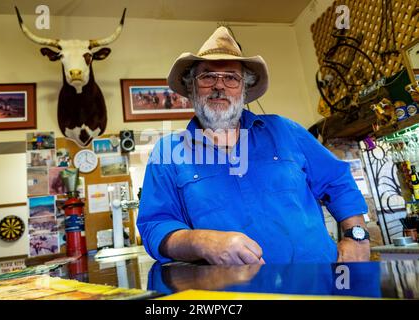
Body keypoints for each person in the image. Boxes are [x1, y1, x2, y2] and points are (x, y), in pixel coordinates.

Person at [137, 27, 370, 265]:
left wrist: (356, 236)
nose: (219, 86)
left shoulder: (284, 130)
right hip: (233, 296)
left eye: (231, 77)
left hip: (318, 285)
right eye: (207, 76)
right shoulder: (168, 153)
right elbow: (155, 226)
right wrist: (202, 241)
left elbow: (337, 180)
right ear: (191, 87)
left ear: (244, 89)